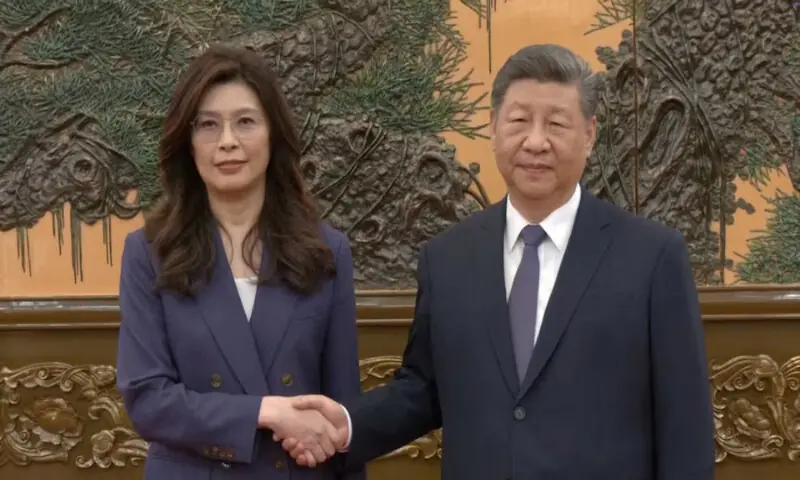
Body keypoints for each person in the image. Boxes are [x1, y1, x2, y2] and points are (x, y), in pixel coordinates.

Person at [277, 44, 716, 479]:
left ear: (590, 134)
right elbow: (425, 390)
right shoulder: (448, 257)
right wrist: (347, 424)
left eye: (557, 124)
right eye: (520, 121)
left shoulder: (652, 257)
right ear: (493, 127)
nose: (536, 142)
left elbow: (685, 425)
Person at [116, 45, 365, 480]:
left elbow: (342, 410)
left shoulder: (326, 252)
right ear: (188, 144)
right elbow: (148, 400)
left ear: (273, 135)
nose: (227, 141)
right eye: (208, 125)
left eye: (245, 122)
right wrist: (267, 411)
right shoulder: (149, 253)